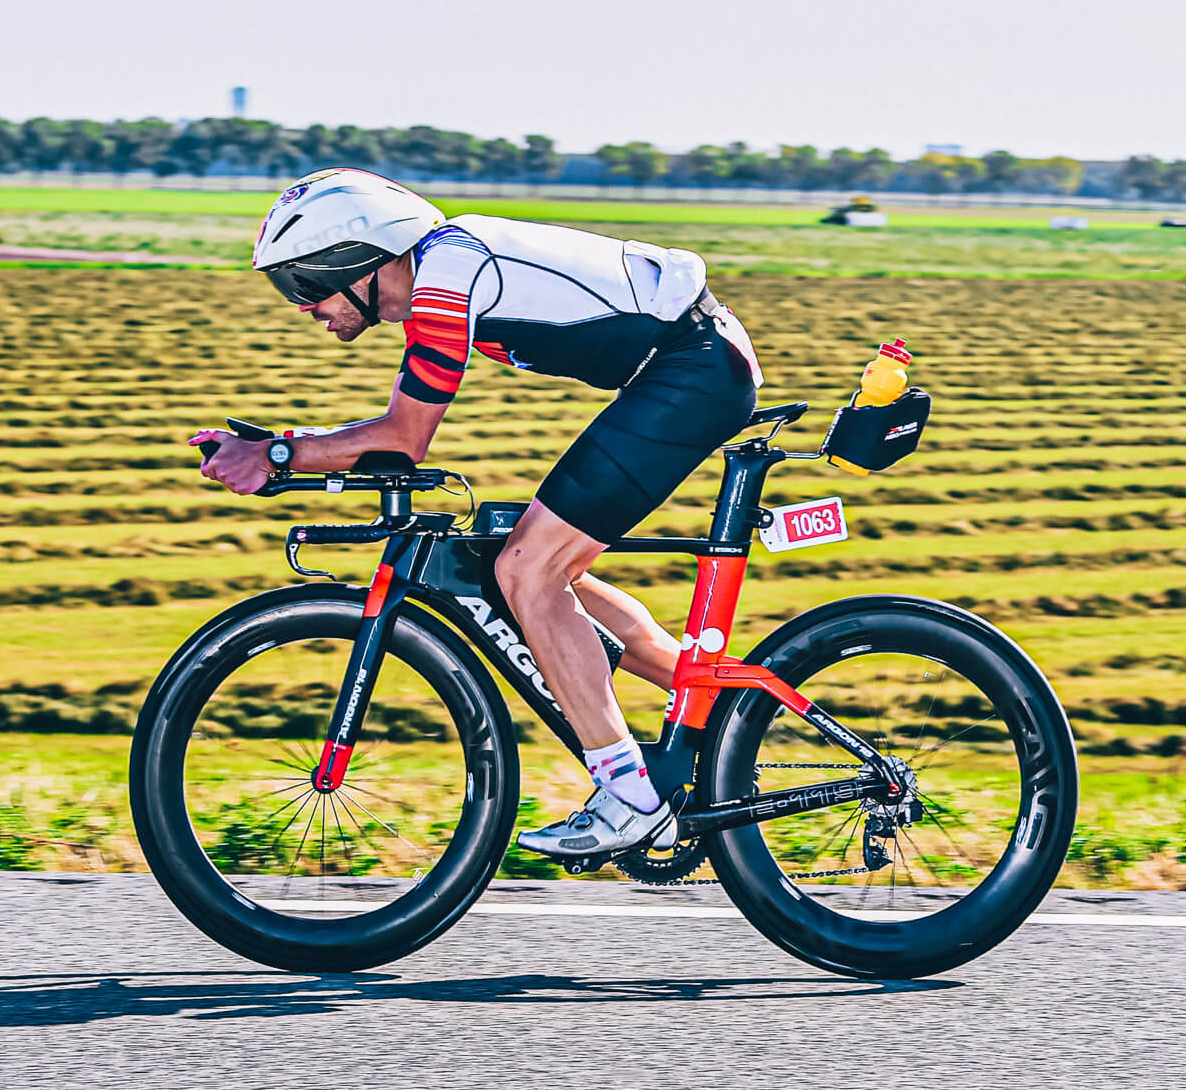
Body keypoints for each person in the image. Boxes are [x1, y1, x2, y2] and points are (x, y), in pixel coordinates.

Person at [195, 167, 764, 858]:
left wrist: (278, 456)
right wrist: (280, 449)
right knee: (525, 567)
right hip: (686, 363)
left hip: (693, 367)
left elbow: (402, 439)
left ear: (359, 260)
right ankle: (721, 708)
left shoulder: (446, 275)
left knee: (530, 571)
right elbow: (392, 437)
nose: (304, 307)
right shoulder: (446, 268)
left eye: (305, 284)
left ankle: (630, 797)